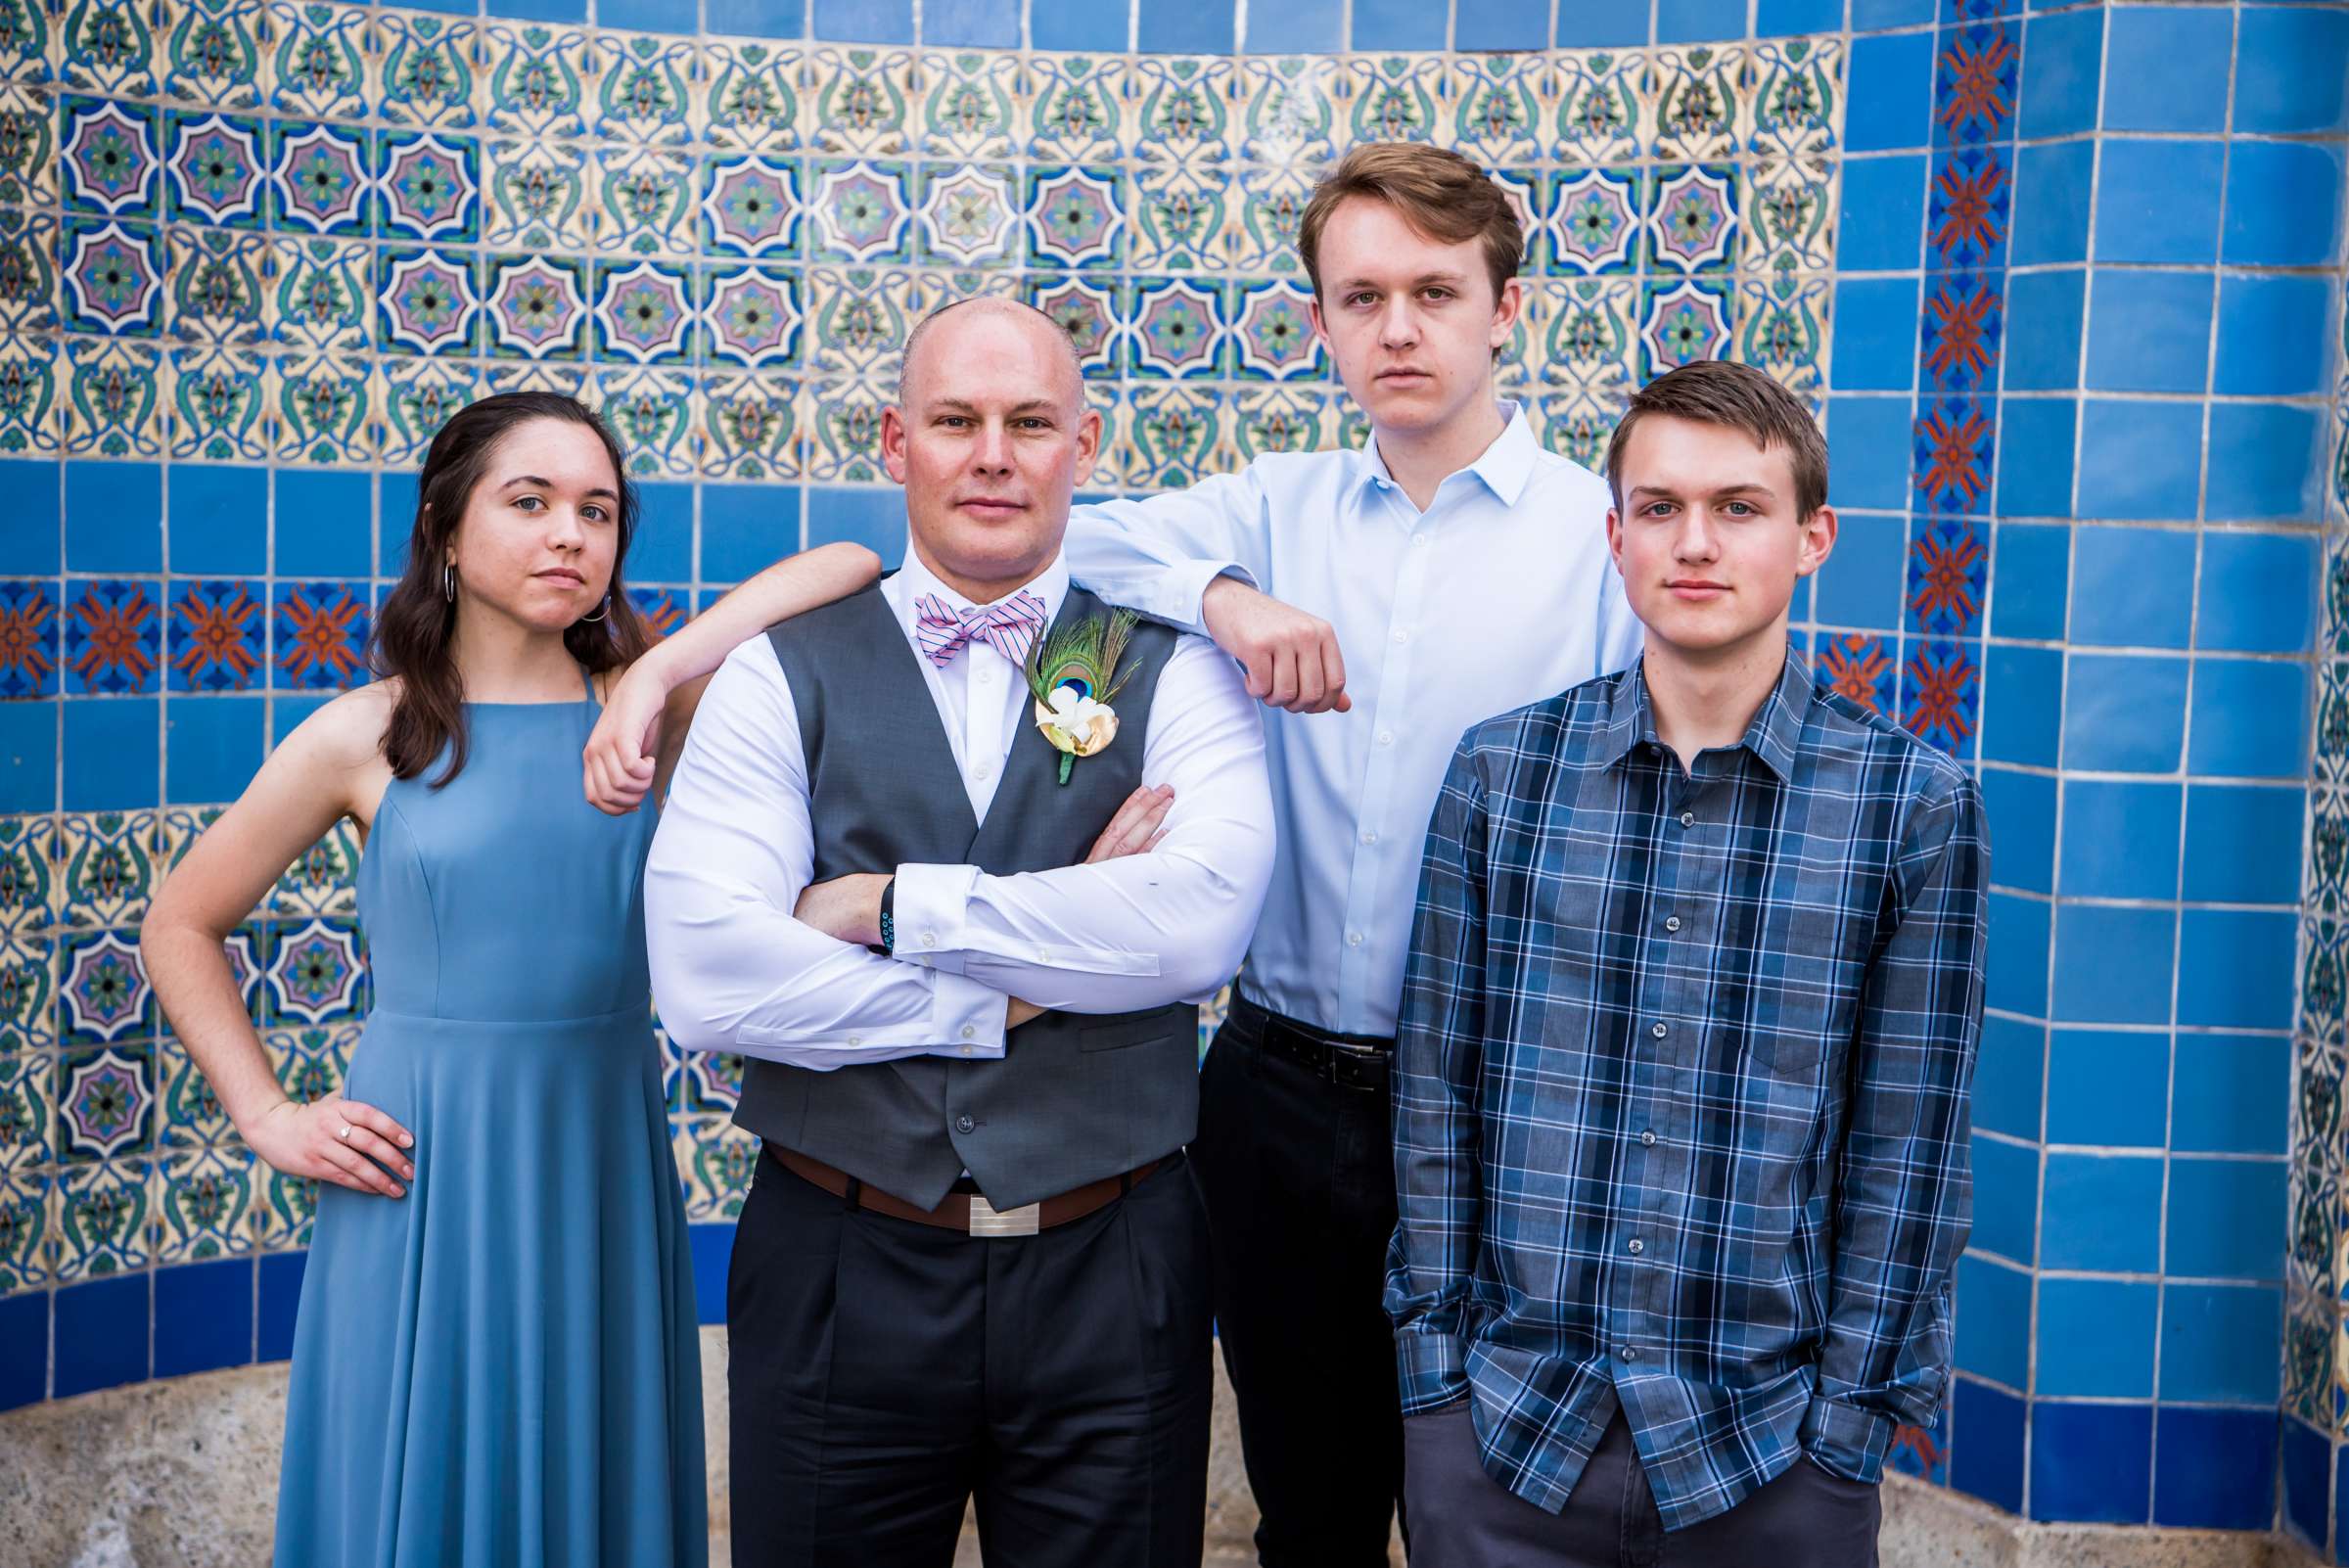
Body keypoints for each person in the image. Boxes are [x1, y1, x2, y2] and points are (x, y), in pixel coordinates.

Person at [140, 392, 882, 1568]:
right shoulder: (363, 734)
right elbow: (180, 923)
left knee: (593, 1477)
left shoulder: (651, 713)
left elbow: (853, 563)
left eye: (597, 511)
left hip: (595, 1150)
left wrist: (654, 675)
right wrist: (269, 1114)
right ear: (445, 529)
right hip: (417, 1168)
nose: (568, 535)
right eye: (528, 502)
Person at [1049, 141, 1643, 1563]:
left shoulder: (1600, 539)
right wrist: (1228, 598)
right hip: (1272, 1095)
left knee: (1496, 1517)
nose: (1398, 327)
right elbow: (1073, 553)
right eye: (1360, 295)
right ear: (1316, 324)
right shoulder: (1273, 508)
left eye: (1435, 291)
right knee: (1305, 1516)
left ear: (1508, 308)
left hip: (1509, 1114)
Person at [642, 297, 1275, 1568]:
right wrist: (1022, 988)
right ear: (896, 442)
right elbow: (709, 980)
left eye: (1030, 421)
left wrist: (880, 910)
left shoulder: (1174, 666)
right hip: (837, 1262)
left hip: (1119, 1265)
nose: (993, 452)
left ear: (1083, 447)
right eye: (957, 420)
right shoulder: (784, 668)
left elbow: (1196, 926)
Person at [1386, 358, 1988, 1567]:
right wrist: (1435, 1393)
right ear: (1616, 537)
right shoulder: (1504, 778)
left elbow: (1908, 1150)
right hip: (1507, 1443)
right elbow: (1435, 1099)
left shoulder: (1909, 807)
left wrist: (1845, 1439)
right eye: (1659, 509)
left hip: (1770, 1460)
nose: (1694, 543)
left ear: (1814, 538)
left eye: (1740, 508)